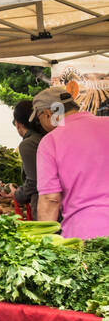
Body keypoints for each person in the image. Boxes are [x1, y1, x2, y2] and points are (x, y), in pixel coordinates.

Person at [33, 86, 109, 239]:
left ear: (48, 113)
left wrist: (45, 242)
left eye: (38, 118)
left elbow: (50, 199)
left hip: (86, 234)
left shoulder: (50, 141)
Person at [11, 99, 43, 213]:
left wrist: (16, 194)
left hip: (43, 204)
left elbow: (34, 182)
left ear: (17, 124)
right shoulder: (44, 136)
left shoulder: (28, 144)